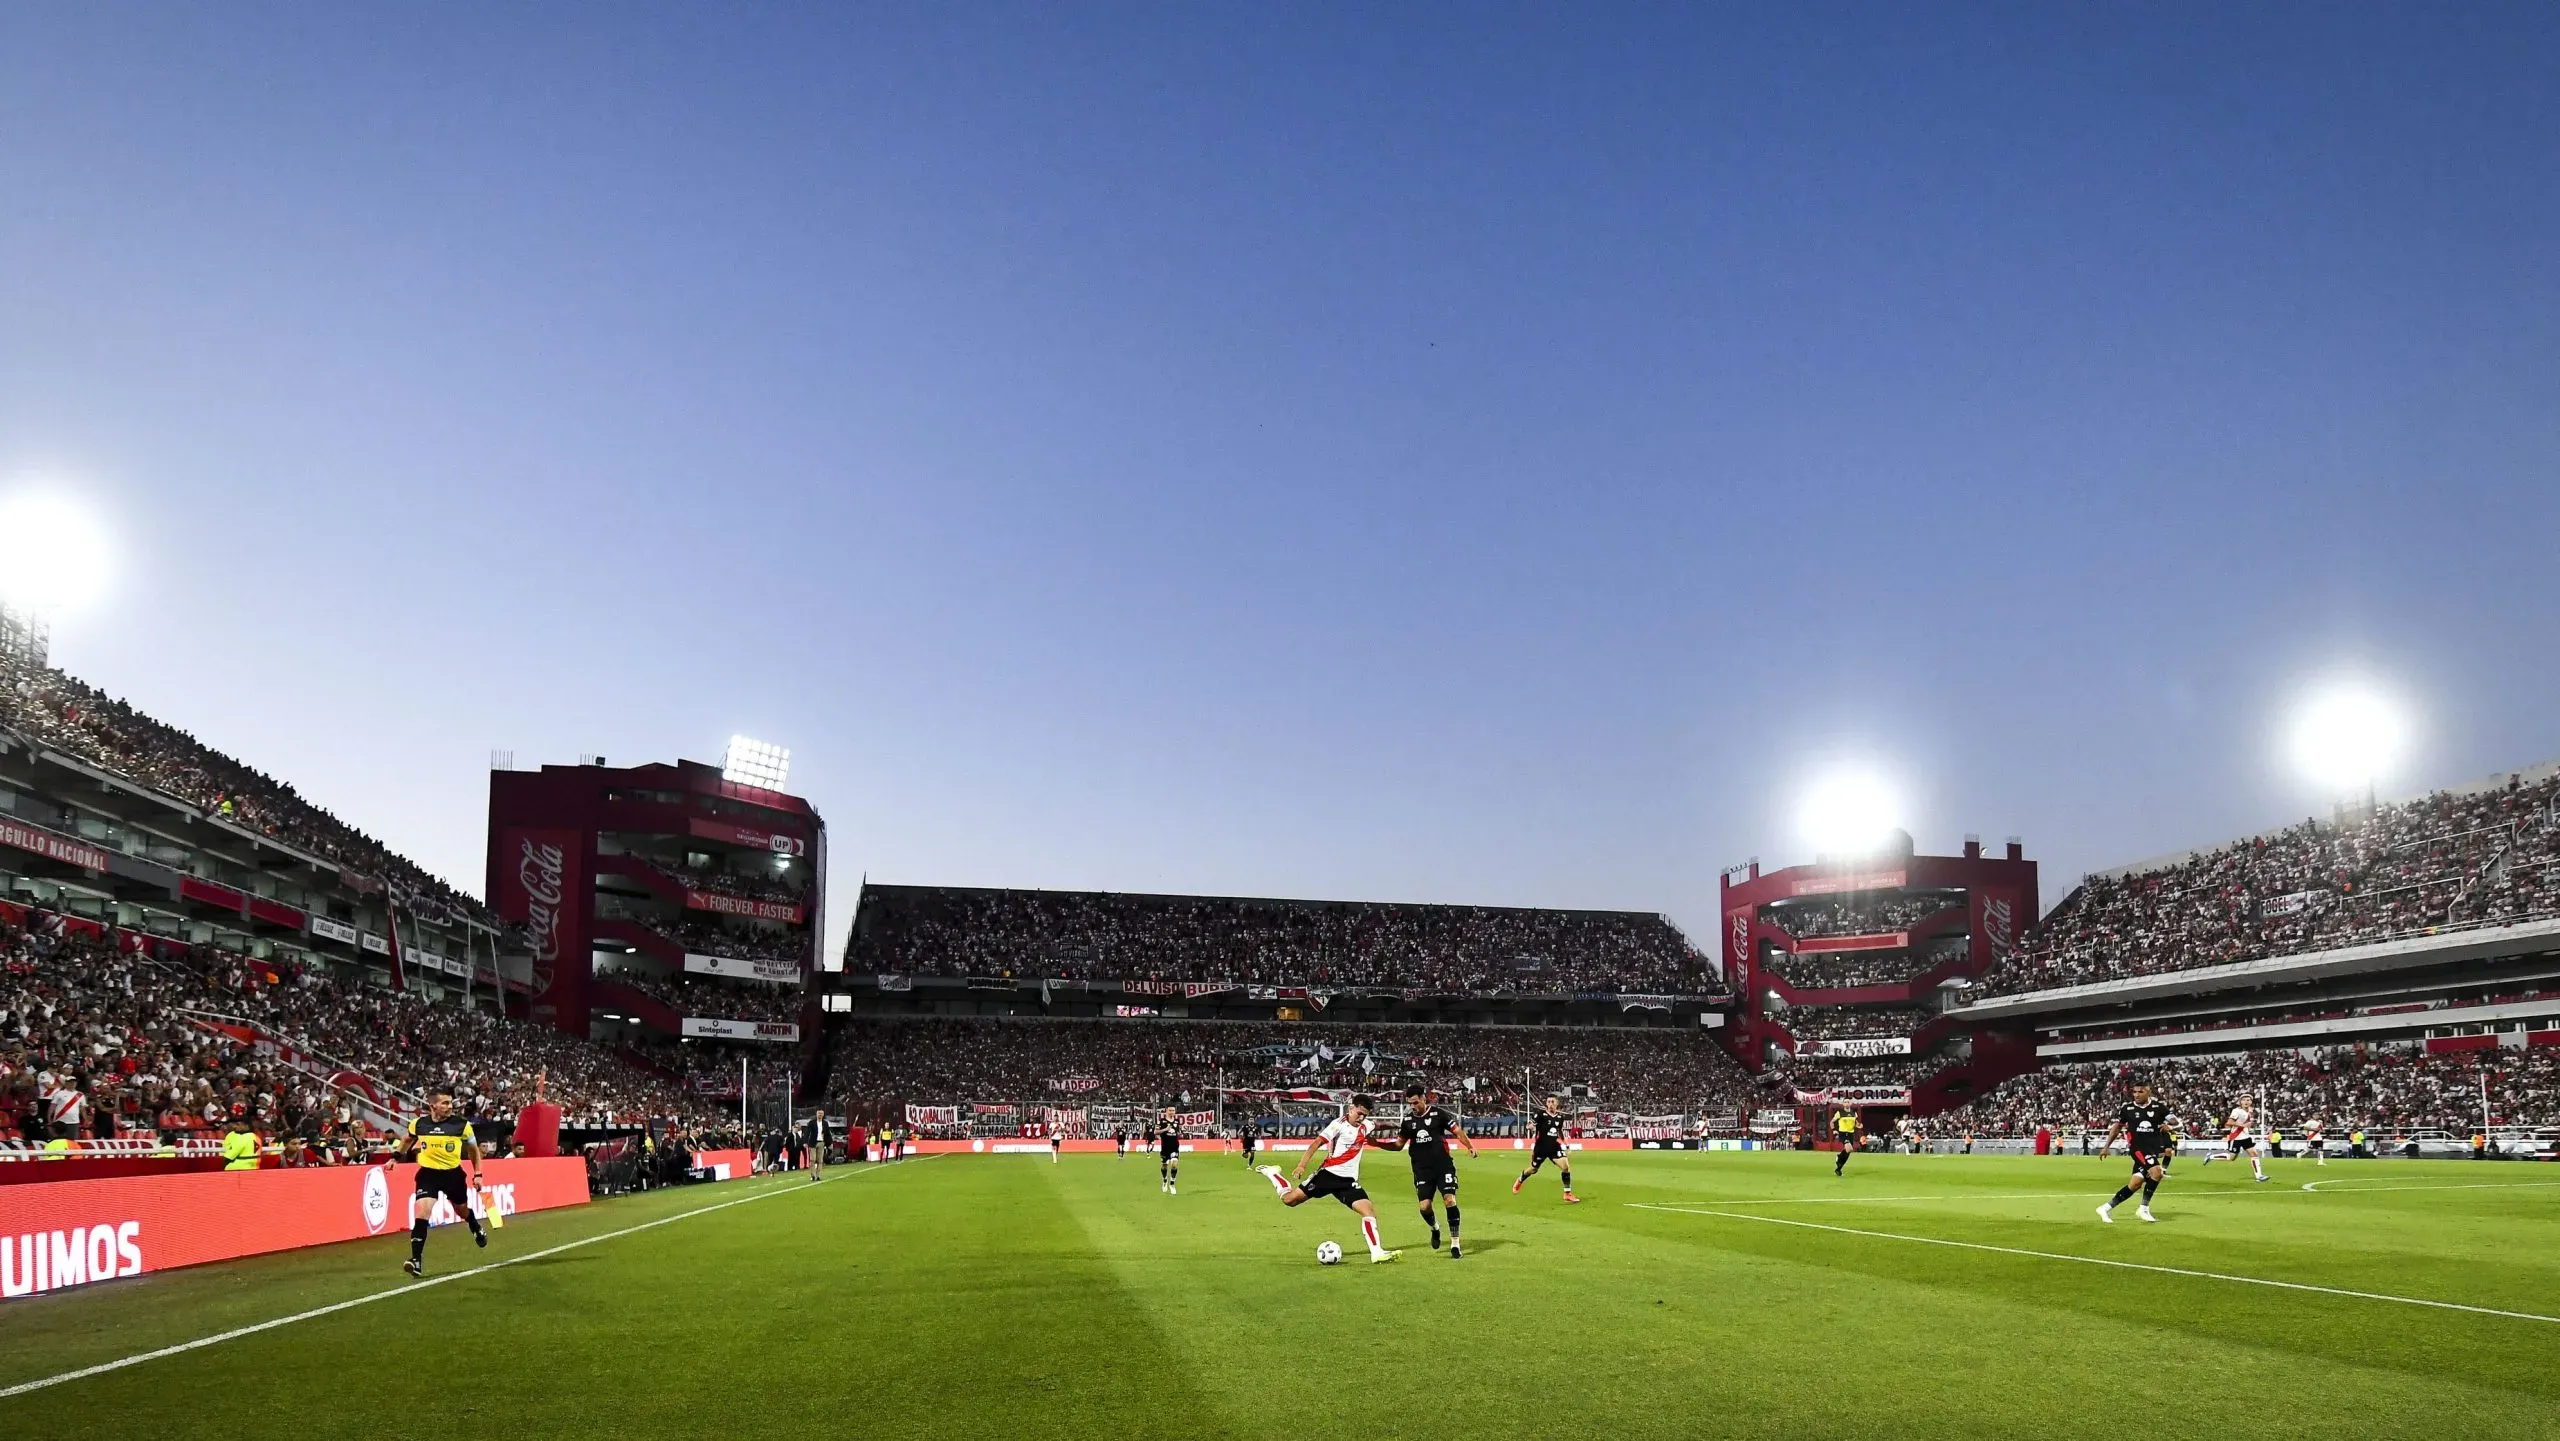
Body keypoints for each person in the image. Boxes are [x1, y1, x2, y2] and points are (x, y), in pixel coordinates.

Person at [1257, 1094, 1398, 1263]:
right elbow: (1316, 1143)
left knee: (1368, 1211)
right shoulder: (1338, 1125)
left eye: (1365, 1115)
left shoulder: (1366, 1125)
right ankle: (1273, 1174)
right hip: (1328, 1175)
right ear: (1351, 1108)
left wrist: (1399, 1125)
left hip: (1348, 1182)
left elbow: (1378, 1125)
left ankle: (1377, 1253)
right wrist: (1302, 1165)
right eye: (1359, 1113)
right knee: (1289, 1200)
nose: (1361, 1118)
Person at [1365, 1084, 1478, 1257]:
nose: (1412, 1106)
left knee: (1449, 1200)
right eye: (1410, 1103)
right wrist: (1378, 1144)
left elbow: (1457, 1131)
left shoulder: (1439, 1114)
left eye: (1415, 1102)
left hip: (1443, 1166)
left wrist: (1469, 1146)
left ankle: (1455, 1244)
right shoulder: (1408, 1122)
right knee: (1425, 1207)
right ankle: (1435, 1228)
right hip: (1422, 1170)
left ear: (1424, 1099)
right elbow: (1398, 1145)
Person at [394, 1089, 487, 1277]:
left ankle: (474, 1224)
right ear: (432, 1106)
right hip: (428, 1175)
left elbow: (473, 1150)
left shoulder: (461, 1125)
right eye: (444, 1103)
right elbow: (407, 1140)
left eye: (450, 1103)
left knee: (461, 1210)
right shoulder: (418, 1124)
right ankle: (416, 1260)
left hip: (452, 1175)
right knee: (422, 1212)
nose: (450, 1106)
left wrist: (478, 1173)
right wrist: (394, 1157)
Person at [2095, 1082, 2179, 1224]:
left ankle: (2105, 1208)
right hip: (2138, 1148)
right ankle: (2143, 1208)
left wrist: (2169, 1125)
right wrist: (2106, 1146)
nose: (2136, 1095)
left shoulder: (2158, 1107)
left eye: (2140, 1092)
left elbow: (2175, 1121)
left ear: (2148, 1092)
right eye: (2134, 1092)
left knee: (2135, 1185)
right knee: (2157, 1173)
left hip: (2152, 1149)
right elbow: (2117, 1128)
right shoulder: (2127, 1109)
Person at [1512, 1095, 1580, 1202]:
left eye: (1552, 1102)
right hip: (1541, 1148)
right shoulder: (1540, 1114)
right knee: (1533, 1169)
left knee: (1565, 1167)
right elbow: (1530, 1124)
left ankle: (1567, 1193)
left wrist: (1566, 1145)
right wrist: (1530, 1126)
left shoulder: (1560, 1118)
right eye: (1548, 1102)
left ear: (1557, 1103)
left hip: (1554, 1147)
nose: (1550, 1104)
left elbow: (1559, 1132)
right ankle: (1520, 1180)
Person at [2201, 1101, 2268, 1181]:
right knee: (2232, 1157)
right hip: (2236, 1137)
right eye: (2244, 1099)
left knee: (2254, 1154)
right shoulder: (2237, 1111)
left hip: (2246, 1137)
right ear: (2241, 1102)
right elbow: (2229, 1122)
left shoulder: (2250, 1112)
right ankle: (2211, 1156)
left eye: (2248, 1100)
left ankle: (2259, 1176)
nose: (2246, 1101)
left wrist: (2249, 1126)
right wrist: (2243, 1125)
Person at [1157, 1106, 1182, 1195]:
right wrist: (1165, 1129)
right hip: (1165, 1147)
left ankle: (1172, 1183)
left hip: (1174, 1147)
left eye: (1173, 1110)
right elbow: (1155, 1132)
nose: (1172, 1112)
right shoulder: (1162, 1121)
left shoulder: (1177, 1121)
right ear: (1166, 1111)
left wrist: (1179, 1134)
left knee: (1174, 1164)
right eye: (1170, 1110)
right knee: (1164, 1166)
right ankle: (1165, 1180)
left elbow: (1177, 1132)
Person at [1832, 1108, 1859, 1176]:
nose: (1847, 1103)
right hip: (1843, 1133)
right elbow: (1832, 1122)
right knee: (1849, 1149)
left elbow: (1856, 1123)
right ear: (1843, 1104)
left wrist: (1859, 1125)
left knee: (1848, 1152)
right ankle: (1839, 1156)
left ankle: (1838, 1169)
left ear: (1850, 1103)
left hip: (1851, 1134)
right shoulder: (1840, 1112)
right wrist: (1834, 1130)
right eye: (1845, 1102)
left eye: (1848, 1102)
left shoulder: (1854, 1113)